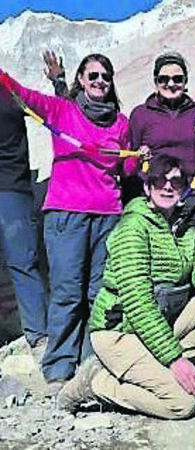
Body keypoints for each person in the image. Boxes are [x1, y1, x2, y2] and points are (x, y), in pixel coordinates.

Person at [1, 54, 134, 390]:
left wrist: (140, 158)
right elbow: (21, 95)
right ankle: (59, 368)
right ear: (81, 79)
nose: (100, 81)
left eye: (106, 75)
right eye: (93, 75)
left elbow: (126, 170)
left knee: (99, 294)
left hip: (108, 216)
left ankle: (92, 364)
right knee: (67, 292)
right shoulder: (63, 110)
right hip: (66, 216)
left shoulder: (120, 123)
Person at [57, 155, 195, 419]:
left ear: (184, 187)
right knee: (182, 405)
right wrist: (174, 361)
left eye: (175, 181)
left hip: (158, 324)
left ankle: (146, 367)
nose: (167, 187)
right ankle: (97, 382)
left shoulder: (186, 231)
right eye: (159, 181)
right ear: (147, 187)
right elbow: (138, 302)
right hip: (121, 331)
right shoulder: (133, 228)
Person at [128, 52, 195, 251]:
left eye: (177, 79)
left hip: (193, 198)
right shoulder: (140, 114)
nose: (171, 84)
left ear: (186, 82)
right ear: (155, 82)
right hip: (154, 201)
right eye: (164, 79)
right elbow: (130, 164)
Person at [0, 75, 49, 360]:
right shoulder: (10, 89)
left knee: (22, 264)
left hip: (14, 189)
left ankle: (38, 337)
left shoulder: (11, 90)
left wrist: (58, 83)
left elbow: (53, 113)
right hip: (15, 190)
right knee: (23, 265)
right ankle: (38, 338)